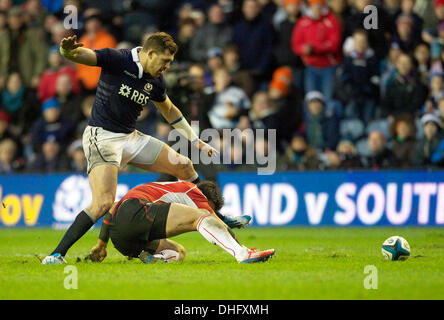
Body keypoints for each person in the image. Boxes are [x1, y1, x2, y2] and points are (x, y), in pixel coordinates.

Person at [42, 32, 220, 265]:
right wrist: (66, 51)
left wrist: (194, 140)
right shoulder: (118, 59)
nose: (167, 67)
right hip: (102, 136)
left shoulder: (156, 80)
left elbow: (169, 110)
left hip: (130, 137)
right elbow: (80, 55)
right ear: (151, 53)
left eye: (170, 63)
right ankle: (56, 254)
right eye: (165, 61)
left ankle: (217, 219)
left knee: (184, 166)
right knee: (103, 203)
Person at [87, 181, 266, 264]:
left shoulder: (168, 190)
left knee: (179, 252)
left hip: (122, 240)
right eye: (208, 205)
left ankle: (154, 259)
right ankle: (242, 254)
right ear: (204, 196)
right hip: (139, 212)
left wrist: (102, 243)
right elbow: (217, 223)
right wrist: (238, 243)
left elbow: (112, 209)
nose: (206, 208)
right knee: (202, 217)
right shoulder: (193, 190)